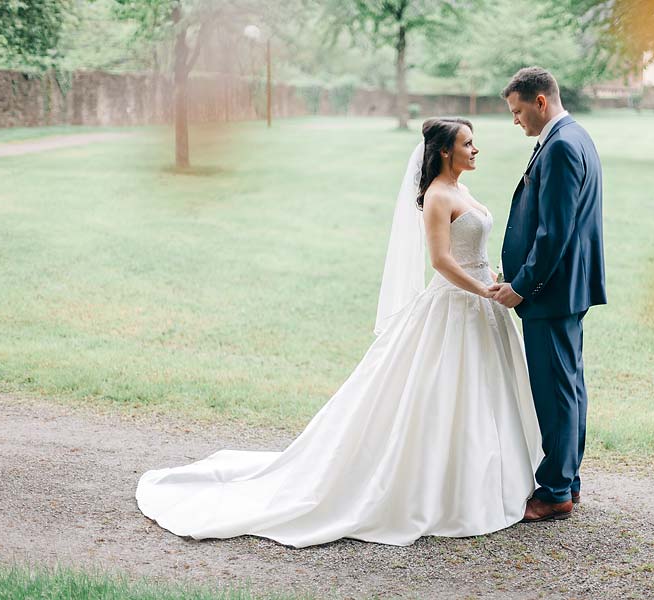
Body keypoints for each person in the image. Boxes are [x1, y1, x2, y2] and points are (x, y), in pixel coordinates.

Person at [135, 117, 544, 548]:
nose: (475, 149)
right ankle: (440, 490)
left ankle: (489, 480)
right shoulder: (439, 195)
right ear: (445, 151)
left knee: (481, 393)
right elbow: (441, 261)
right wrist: (483, 289)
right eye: (467, 143)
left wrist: (491, 277)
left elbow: (470, 249)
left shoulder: (461, 189)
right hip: (459, 303)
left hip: (482, 302)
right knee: (443, 394)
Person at [490, 66, 607, 522]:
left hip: (551, 292)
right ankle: (568, 481)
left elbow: (554, 232)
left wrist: (522, 286)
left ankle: (556, 489)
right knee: (569, 387)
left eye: (518, 111)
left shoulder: (560, 147)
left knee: (556, 392)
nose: (515, 120)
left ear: (541, 102)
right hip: (565, 289)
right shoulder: (575, 136)